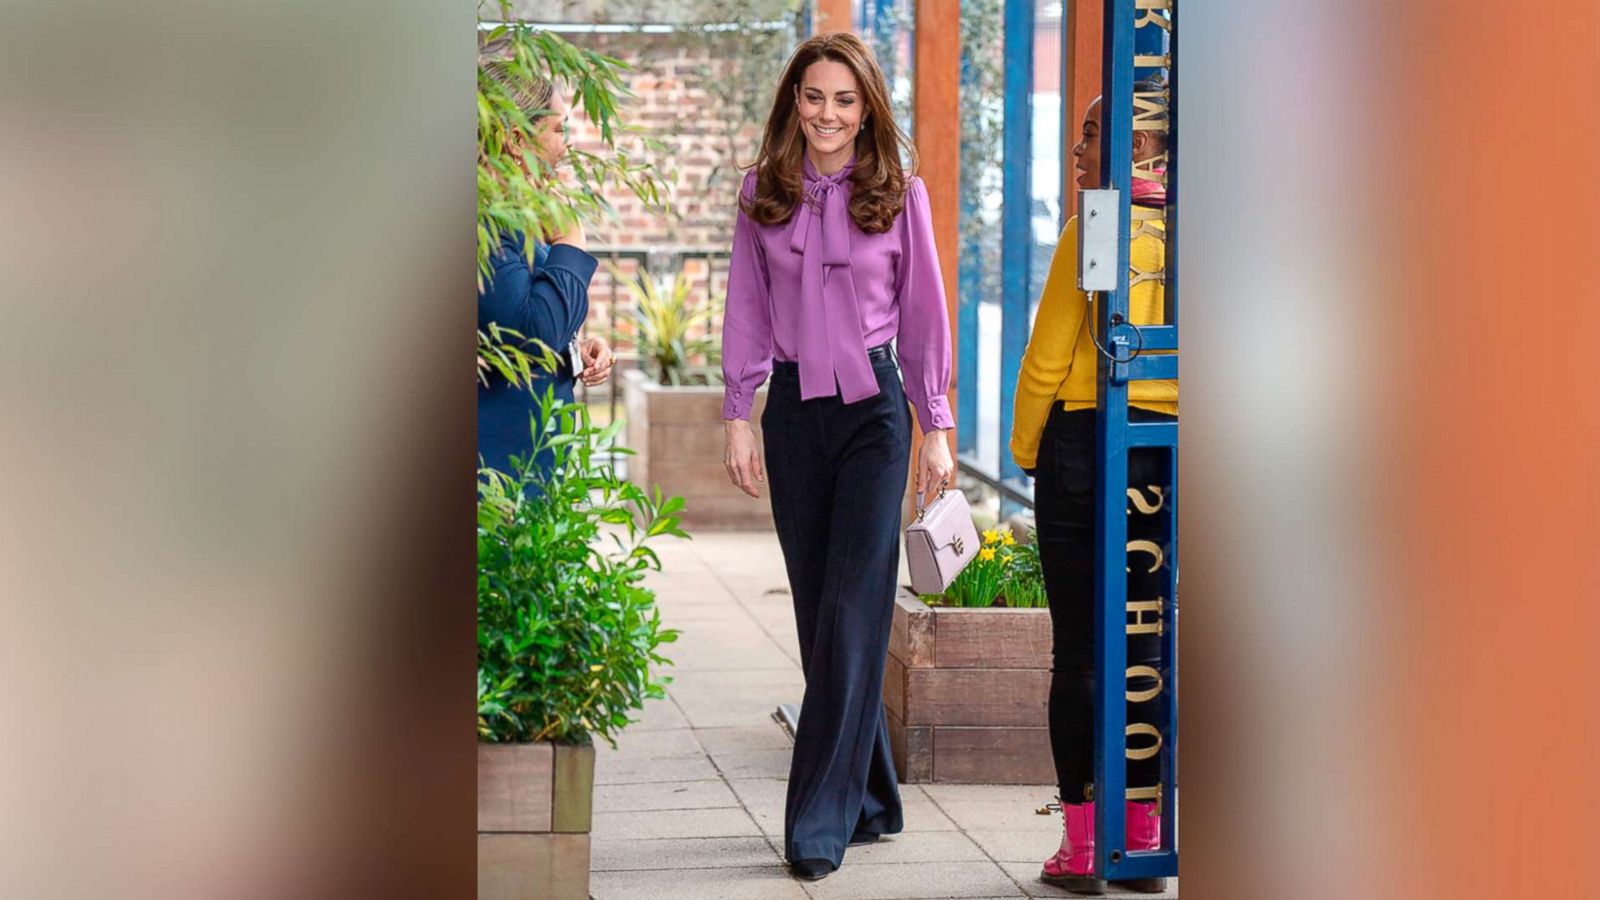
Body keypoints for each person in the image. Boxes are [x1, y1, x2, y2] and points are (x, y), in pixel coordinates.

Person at [720, 32, 955, 882]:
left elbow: (925, 309)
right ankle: (873, 796)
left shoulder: (899, 194)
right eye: (814, 97)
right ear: (794, 102)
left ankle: (817, 820)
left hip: (875, 420)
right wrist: (738, 413)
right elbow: (746, 305)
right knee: (821, 611)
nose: (827, 114)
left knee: (854, 612)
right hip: (794, 420)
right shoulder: (762, 194)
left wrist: (936, 423)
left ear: (867, 110)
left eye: (845, 101)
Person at [1009, 79, 1177, 896]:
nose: (1077, 152)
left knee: (1078, 651)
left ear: (1138, 144)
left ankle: (1081, 848)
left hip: (1084, 443)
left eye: (1090, 135)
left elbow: (1048, 355)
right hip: (1163, 452)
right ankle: (1143, 838)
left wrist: (1025, 447)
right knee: (1147, 642)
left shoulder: (1097, 226)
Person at [477, 65, 614, 481]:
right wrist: (571, 237)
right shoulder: (485, 221)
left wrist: (574, 348)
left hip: (527, 455)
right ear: (517, 140)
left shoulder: (517, 216)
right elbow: (533, 333)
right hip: (499, 465)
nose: (567, 145)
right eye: (559, 130)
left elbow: (521, 326)